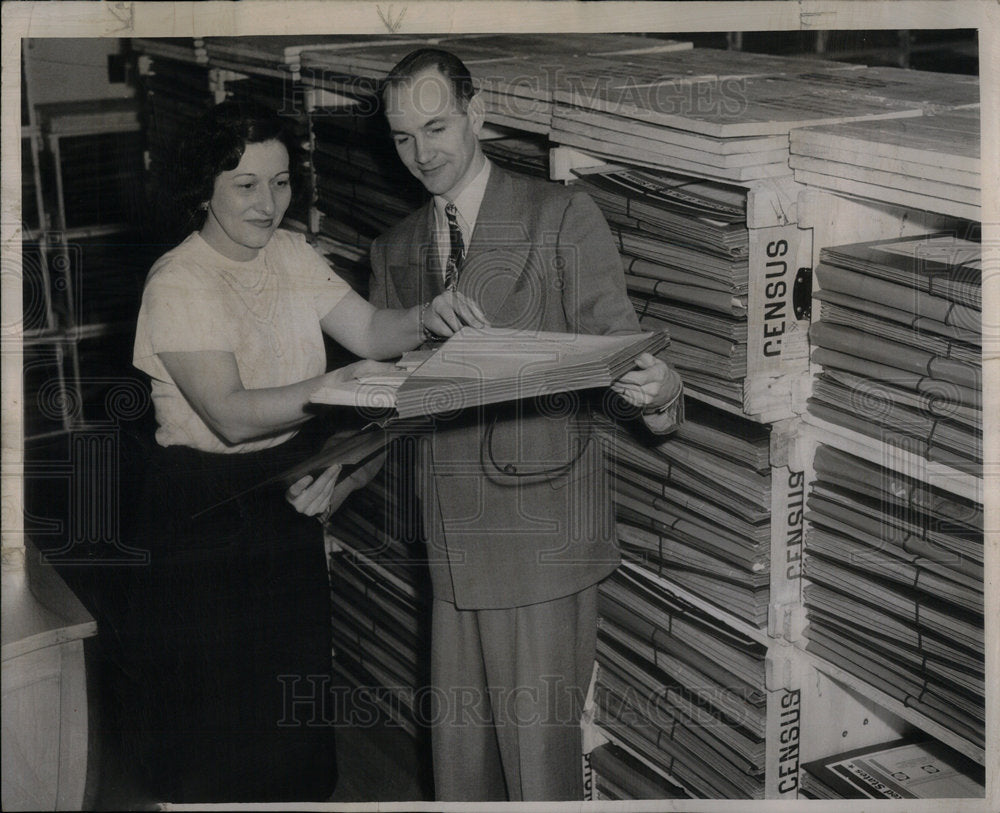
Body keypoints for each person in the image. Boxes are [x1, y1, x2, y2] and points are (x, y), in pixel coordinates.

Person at [122, 99, 484, 803]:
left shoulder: (289, 253)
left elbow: (373, 331)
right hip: (199, 507)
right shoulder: (179, 282)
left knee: (292, 707)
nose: (268, 202)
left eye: (282, 181)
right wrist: (330, 385)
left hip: (281, 496)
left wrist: (427, 314)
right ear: (205, 187)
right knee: (214, 719)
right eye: (246, 185)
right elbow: (228, 416)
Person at [370, 48, 683, 802]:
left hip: (542, 540)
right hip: (449, 544)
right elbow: (390, 402)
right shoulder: (395, 248)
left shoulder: (559, 215)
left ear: (479, 114)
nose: (422, 153)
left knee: (541, 771)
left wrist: (661, 391)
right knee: (461, 766)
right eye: (403, 137)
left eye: (437, 126)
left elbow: (625, 345)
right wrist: (341, 462)